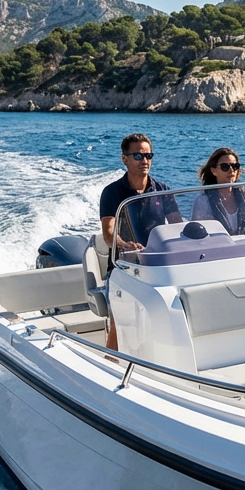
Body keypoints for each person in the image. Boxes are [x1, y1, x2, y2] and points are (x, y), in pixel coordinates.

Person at [98, 133, 181, 351]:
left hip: (158, 265)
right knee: (120, 324)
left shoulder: (163, 190)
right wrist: (125, 244)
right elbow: (108, 233)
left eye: (148, 155)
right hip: (124, 267)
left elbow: (176, 227)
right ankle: (111, 365)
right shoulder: (112, 193)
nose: (144, 160)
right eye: (138, 155)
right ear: (124, 159)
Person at [191, 147, 245, 238]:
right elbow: (199, 235)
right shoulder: (203, 200)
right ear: (214, 170)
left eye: (235, 166)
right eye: (225, 167)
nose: (231, 170)